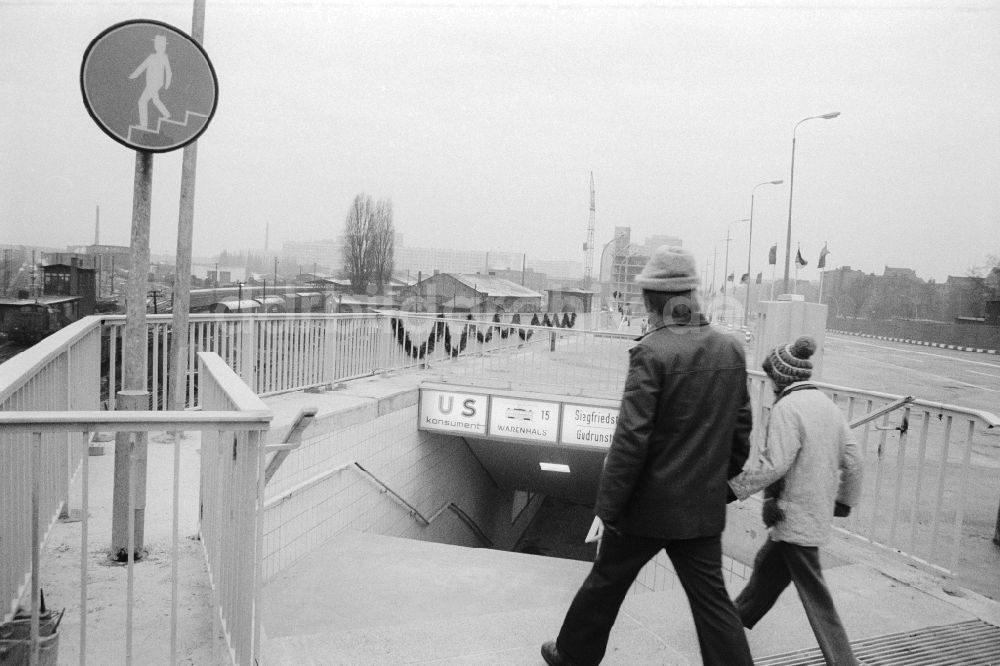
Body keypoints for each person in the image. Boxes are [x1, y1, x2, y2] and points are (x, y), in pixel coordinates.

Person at [542, 245, 754, 666]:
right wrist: (717, 485)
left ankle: (571, 656)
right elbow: (741, 432)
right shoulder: (730, 350)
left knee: (606, 583)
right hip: (700, 510)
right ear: (692, 294)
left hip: (646, 510)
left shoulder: (651, 353)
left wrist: (609, 507)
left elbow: (630, 440)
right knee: (713, 604)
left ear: (650, 301)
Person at [728, 336, 864, 665]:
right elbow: (855, 460)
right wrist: (845, 500)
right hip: (812, 514)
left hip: (793, 516)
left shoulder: (787, 408)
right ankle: (727, 626)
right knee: (767, 571)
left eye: (771, 377)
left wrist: (736, 488)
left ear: (780, 377)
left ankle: (844, 661)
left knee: (816, 597)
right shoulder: (827, 405)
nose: (771, 383)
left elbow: (775, 464)